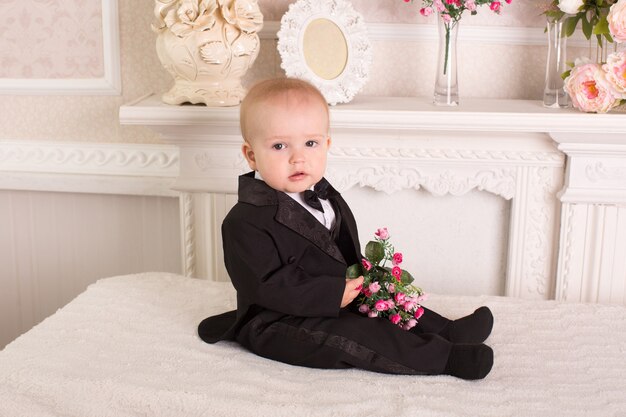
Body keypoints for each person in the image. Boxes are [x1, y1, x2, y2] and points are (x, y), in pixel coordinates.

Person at [197, 78, 494, 380]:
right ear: (251, 155)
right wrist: (330, 294)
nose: (298, 157)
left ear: (326, 144)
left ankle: (448, 330)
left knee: (384, 299)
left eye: (310, 143)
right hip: (278, 320)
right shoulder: (244, 221)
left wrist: (362, 284)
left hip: (335, 295)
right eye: (279, 145)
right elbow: (265, 285)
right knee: (354, 332)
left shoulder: (326, 196)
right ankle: (444, 358)